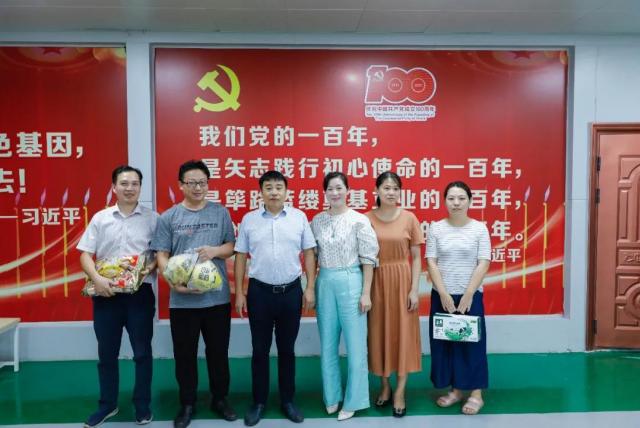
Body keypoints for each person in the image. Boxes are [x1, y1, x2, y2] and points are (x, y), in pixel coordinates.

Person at [151, 160, 237, 428]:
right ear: (181, 185)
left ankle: (220, 399)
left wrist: (214, 251)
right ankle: (187, 403)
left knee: (218, 352)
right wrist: (172, 281)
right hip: (183, 301)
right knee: (185, 354)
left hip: (216, 299)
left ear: (207, 184)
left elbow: (231, 246)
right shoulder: (169, 217)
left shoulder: (220, 212)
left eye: (202, 182)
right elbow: (162, 254)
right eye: (192, 183)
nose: (198, 187)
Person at [77, 165, 158, 427]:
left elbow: (160, 255)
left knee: (142, 353)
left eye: (134, 184)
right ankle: (107, 405)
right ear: (114, 187)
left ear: (140, 187)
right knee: (107, 354)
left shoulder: (153, 219)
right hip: (105, 294)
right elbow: (85, 254)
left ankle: (142, 405)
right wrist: (97, 279)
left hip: (139, 296)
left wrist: (145, 269)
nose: (129, 188)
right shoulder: (101, 218)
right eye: (124, 183)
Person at [234, 170, 317, 426]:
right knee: (259, 350)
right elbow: (240, 256)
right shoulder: (249, 220)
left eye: (278, 187)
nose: (273, 192)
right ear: (261, 192)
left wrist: (310, 287)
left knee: (287, 350)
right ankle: (258, 401)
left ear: (286, 191)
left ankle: (287, 400)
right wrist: (240, 292)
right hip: (259, 293)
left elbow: (309, 252)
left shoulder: (298, 217)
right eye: (268, 187)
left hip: (290, 293)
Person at [310, 171, 379, 421]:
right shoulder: (317, 221)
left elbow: (369, 259)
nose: (335, 193)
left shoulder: (359, 220)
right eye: (330, 188)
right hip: (325, 281)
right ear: (324, 192)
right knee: (328, 343)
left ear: (347, 190)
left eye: (339, 188)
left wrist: (366, 293)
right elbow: (312, 256)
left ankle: (354, 401)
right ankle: (331, 397)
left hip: (352, 280)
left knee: (356, 344)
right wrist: (310, 286)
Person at [426, 180, 491, 415]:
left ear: (470, 201)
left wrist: (468, 293)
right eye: (451, 198)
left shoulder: (479, 229)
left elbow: (484, 262)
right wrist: (443, 293)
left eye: (461, 198)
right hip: (442, 296)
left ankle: (476, 394)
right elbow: (431, 261)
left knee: (472, 345)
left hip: (470, 296)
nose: (456, 203)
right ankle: (455, 390)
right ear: (444, 201)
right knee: (447, 344)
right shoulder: (436, 228)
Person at [365, 171, 423, 418]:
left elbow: (417, 258)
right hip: (376, 282)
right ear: (376, 190)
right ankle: (385, 385)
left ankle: (400, 390)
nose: (391, 192)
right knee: (379, 334)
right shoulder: (365, 219)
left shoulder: (409, 218)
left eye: (395, 188)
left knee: (403, 336)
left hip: (402, 282)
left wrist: (414, 289)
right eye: (386, 188)